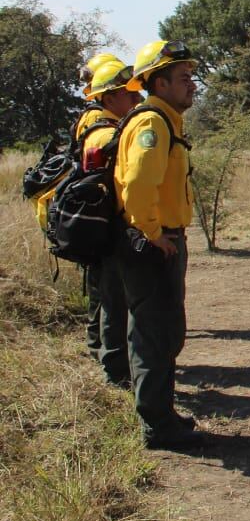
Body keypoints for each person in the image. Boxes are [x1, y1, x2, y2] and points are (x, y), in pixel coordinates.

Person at [111, 40, 204, 449]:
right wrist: (153, 234)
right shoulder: (152, 124)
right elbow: (137, 185)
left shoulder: (165, 121)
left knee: (164, 331)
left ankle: (162, 414)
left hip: (161, 238)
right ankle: (157, 427)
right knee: (154, 334)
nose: (192, 85)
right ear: (159, 83)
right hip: (152, 243)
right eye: (184, 78)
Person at [80, 59, 142, 387]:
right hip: (112, 229)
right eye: (128, 94)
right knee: (114, 302)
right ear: (108, 98)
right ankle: (116, 373)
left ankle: (110, 361)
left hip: (105, 227)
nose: (136, 99)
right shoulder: (106, 134)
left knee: (109, 298)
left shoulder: (106, 128)